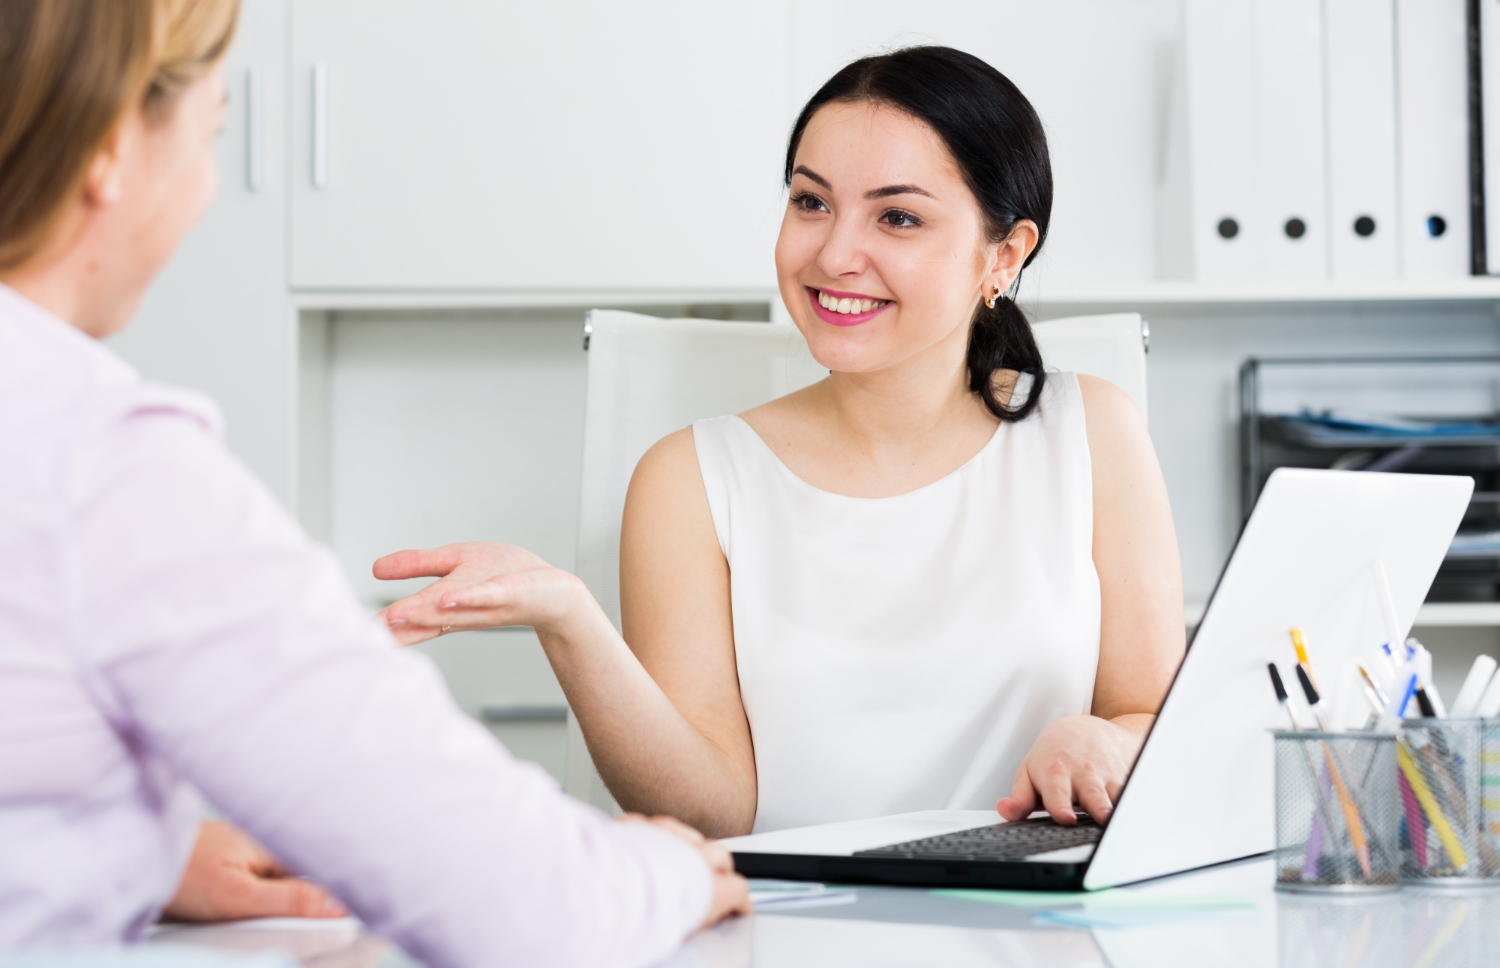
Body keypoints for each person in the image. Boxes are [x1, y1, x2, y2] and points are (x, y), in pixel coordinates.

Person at [0, 0, 747, 962]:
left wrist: (139, 854)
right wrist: (668, 869)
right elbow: (525, 906)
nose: (203, 187)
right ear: (108, 147)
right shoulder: (101, 468)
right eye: (210, 131)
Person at [379, 47, 1187, 837]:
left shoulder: (1092, 432)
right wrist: (570, 621)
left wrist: (1110, 739)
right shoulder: (690, 478)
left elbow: (1156, 719)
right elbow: (712, 812)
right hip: (784, 925)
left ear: (1003, 255)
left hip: (1038, 925)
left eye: (897, 216)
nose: (834, 254)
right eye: (811, 202)